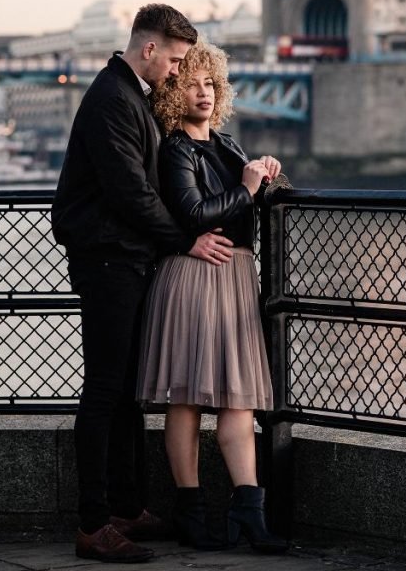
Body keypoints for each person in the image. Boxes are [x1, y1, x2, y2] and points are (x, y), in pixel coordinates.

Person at [52, 4, 231, 564]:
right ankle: (92, 524)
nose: (178, 73)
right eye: (175, 61)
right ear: (148, 49)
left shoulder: (128, 95)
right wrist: (186, 239)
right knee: (105, 390)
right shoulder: (112, 99)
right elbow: (131, 192)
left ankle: (127, 508)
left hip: (126, 257)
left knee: (127, 389)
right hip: (108, 259)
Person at [136, 40, 287, 554]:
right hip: (196, 278)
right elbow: (193, 213)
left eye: (211, 84)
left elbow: (242, 212)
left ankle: (249, 509)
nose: (204, 92)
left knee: (238, 394)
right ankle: (191, 509)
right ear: (175, 92)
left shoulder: (228, 145)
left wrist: (264, 181)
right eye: (192, 83)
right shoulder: (176, 148)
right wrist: (245, 189)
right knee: (188, 397)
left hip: (236, 278)